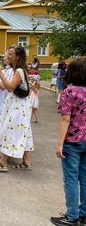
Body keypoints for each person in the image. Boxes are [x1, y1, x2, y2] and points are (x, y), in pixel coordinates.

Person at [0, 45, 34, 172]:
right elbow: (4, 87)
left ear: (18, 56)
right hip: (15, 103)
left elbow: (10, 88)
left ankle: (2, 163)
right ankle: (26, 162)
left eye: (11, 54)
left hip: (18, 105)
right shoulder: (14, 70)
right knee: (23, 131)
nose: (8, 55)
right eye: (8, 53)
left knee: (8, 130)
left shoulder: (20, 71)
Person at [50, 58, 86, 226]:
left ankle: (72, 216)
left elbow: (65, 119)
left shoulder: (69, 93)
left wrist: (59, 144)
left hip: (72, 141)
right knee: (85, 178)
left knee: (71, 178)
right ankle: (84, 213)